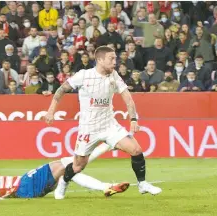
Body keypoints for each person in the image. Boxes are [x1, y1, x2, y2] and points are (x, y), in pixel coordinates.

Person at [44, 46, 161, 200]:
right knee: (78, 165)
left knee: (136, 150)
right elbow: (61, 90)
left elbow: (128, 99)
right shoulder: (84, 75)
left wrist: (133, 119)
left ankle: (142, 183)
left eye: (115, 58)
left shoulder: (114, 75)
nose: (115, 62)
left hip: (109, 125)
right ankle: (64, 183)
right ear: (99, 60)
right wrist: (51, 111)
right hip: (88, 128)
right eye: (111, 59)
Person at [0, 151, 129, 201]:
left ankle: (105, 186)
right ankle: (105, 147)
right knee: (67, 165)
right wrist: (4, 203)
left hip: (24, 185)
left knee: (67, 168)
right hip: (23, 186)